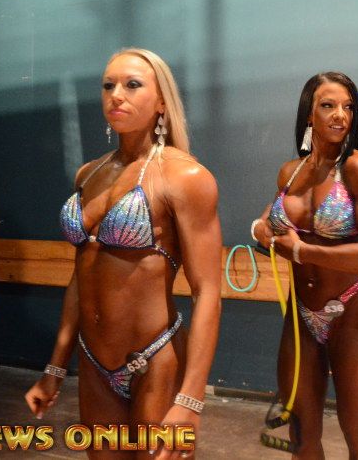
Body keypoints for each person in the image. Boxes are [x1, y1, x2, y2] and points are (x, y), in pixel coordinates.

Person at [25, 49, 221, 459]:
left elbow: (207, 292)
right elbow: (80, 276)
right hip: (94, 362)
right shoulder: (90, 174)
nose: (116, 94)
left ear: (162, 101)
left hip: (155, 359)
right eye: (108, 85)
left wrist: (191, 399)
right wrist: (55, 368)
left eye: (132, 85)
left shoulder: (185, 177)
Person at [252, 72, 358, 459]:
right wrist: (260, 229)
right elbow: (268, 223)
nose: (339, 115)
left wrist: (304, 252)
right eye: (328, 105)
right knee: (301, 436)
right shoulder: (291, 172)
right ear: (309, 114)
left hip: (349, 314)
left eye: (348, 107)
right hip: (301, 318)